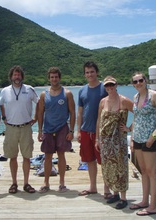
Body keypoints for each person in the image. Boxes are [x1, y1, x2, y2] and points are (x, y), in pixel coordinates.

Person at [129, 72, 156, 216]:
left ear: (145, 80)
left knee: (152, 172)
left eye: (140, 80)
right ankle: (144, 201)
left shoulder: (154, 96)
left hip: (150, 140)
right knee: (143, 171)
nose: (138, 83)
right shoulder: (136, 97)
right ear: (133, 84)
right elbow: (137, 118)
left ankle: (153, 206)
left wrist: (154, 136)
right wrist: (132, 138)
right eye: (135, 81)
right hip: (138, 139)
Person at [0, 65, 39, 194]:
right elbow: (0, 104)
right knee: (12, 157)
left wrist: (36, 117)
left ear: (22, 76)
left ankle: (26, 183)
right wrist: (3, 117)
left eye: (19, 75)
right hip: (11, 128)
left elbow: (39, 102)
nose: (17, 77)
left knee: (27, 157)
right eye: (15, 75)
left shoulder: (29, 89)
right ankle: (14, 183)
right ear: (11, 77)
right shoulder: (5, 90)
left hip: (26, 127)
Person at [95, 76, 133, 209]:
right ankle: (115, 193)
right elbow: (99, 121)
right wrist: (97, 139)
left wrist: (129, 128)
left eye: (112, 85)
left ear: (116, 85)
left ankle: (123, 198)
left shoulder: (124, 101)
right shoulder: (102, 102)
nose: (109, 88)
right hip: (105, 141)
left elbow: (139, 114)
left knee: (121, 166)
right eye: (107, 86)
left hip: (119, 141)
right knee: (108, 167)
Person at [37, 67, 76, 193]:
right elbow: (40, 113)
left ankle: (62, 183)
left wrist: (71, 131)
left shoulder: (67, 93)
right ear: (49, 78)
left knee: (61, 155)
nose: (54, 79)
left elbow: (73, 113)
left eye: (56, 77)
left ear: (59, 78)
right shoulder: (44, 94)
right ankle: (46, 183)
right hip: (48, 129)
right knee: (47, 156)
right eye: (52, 77)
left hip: (62, 128)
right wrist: (39, 131)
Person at [77, 61, 109, 197]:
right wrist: (78, 130)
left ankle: (107, 189)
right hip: (85, 131)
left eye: (92, 71)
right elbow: (80, 112)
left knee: (104, 161)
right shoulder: (82, 90)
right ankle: (93, 187)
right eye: (87, 72)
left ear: (97, 72)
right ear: (84, 74)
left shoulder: (105, 88)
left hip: (101, 131)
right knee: (89, 160)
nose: (90, 74)